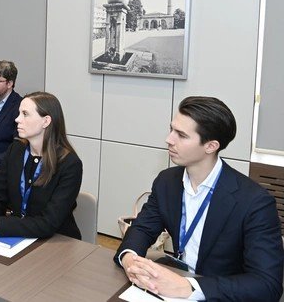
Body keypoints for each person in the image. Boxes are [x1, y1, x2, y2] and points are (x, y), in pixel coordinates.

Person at [115, 96, 283, 301]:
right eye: (171, 129)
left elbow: (267, 284)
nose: (169, 139)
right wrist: (130, 259)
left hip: (218, 294)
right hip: (171, 287)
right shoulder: (167, 181)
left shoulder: (254, 202)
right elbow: (142, 229)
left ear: (211, 146)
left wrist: (190, 287)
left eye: (181, 135)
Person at [0, 92, 83, 239]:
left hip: (56, 241)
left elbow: (48, 223)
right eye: (19, 113)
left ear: (46, 121)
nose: (17, 119)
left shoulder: (69, 164)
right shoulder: (16, 150)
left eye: (25, 114)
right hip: (18, 234)